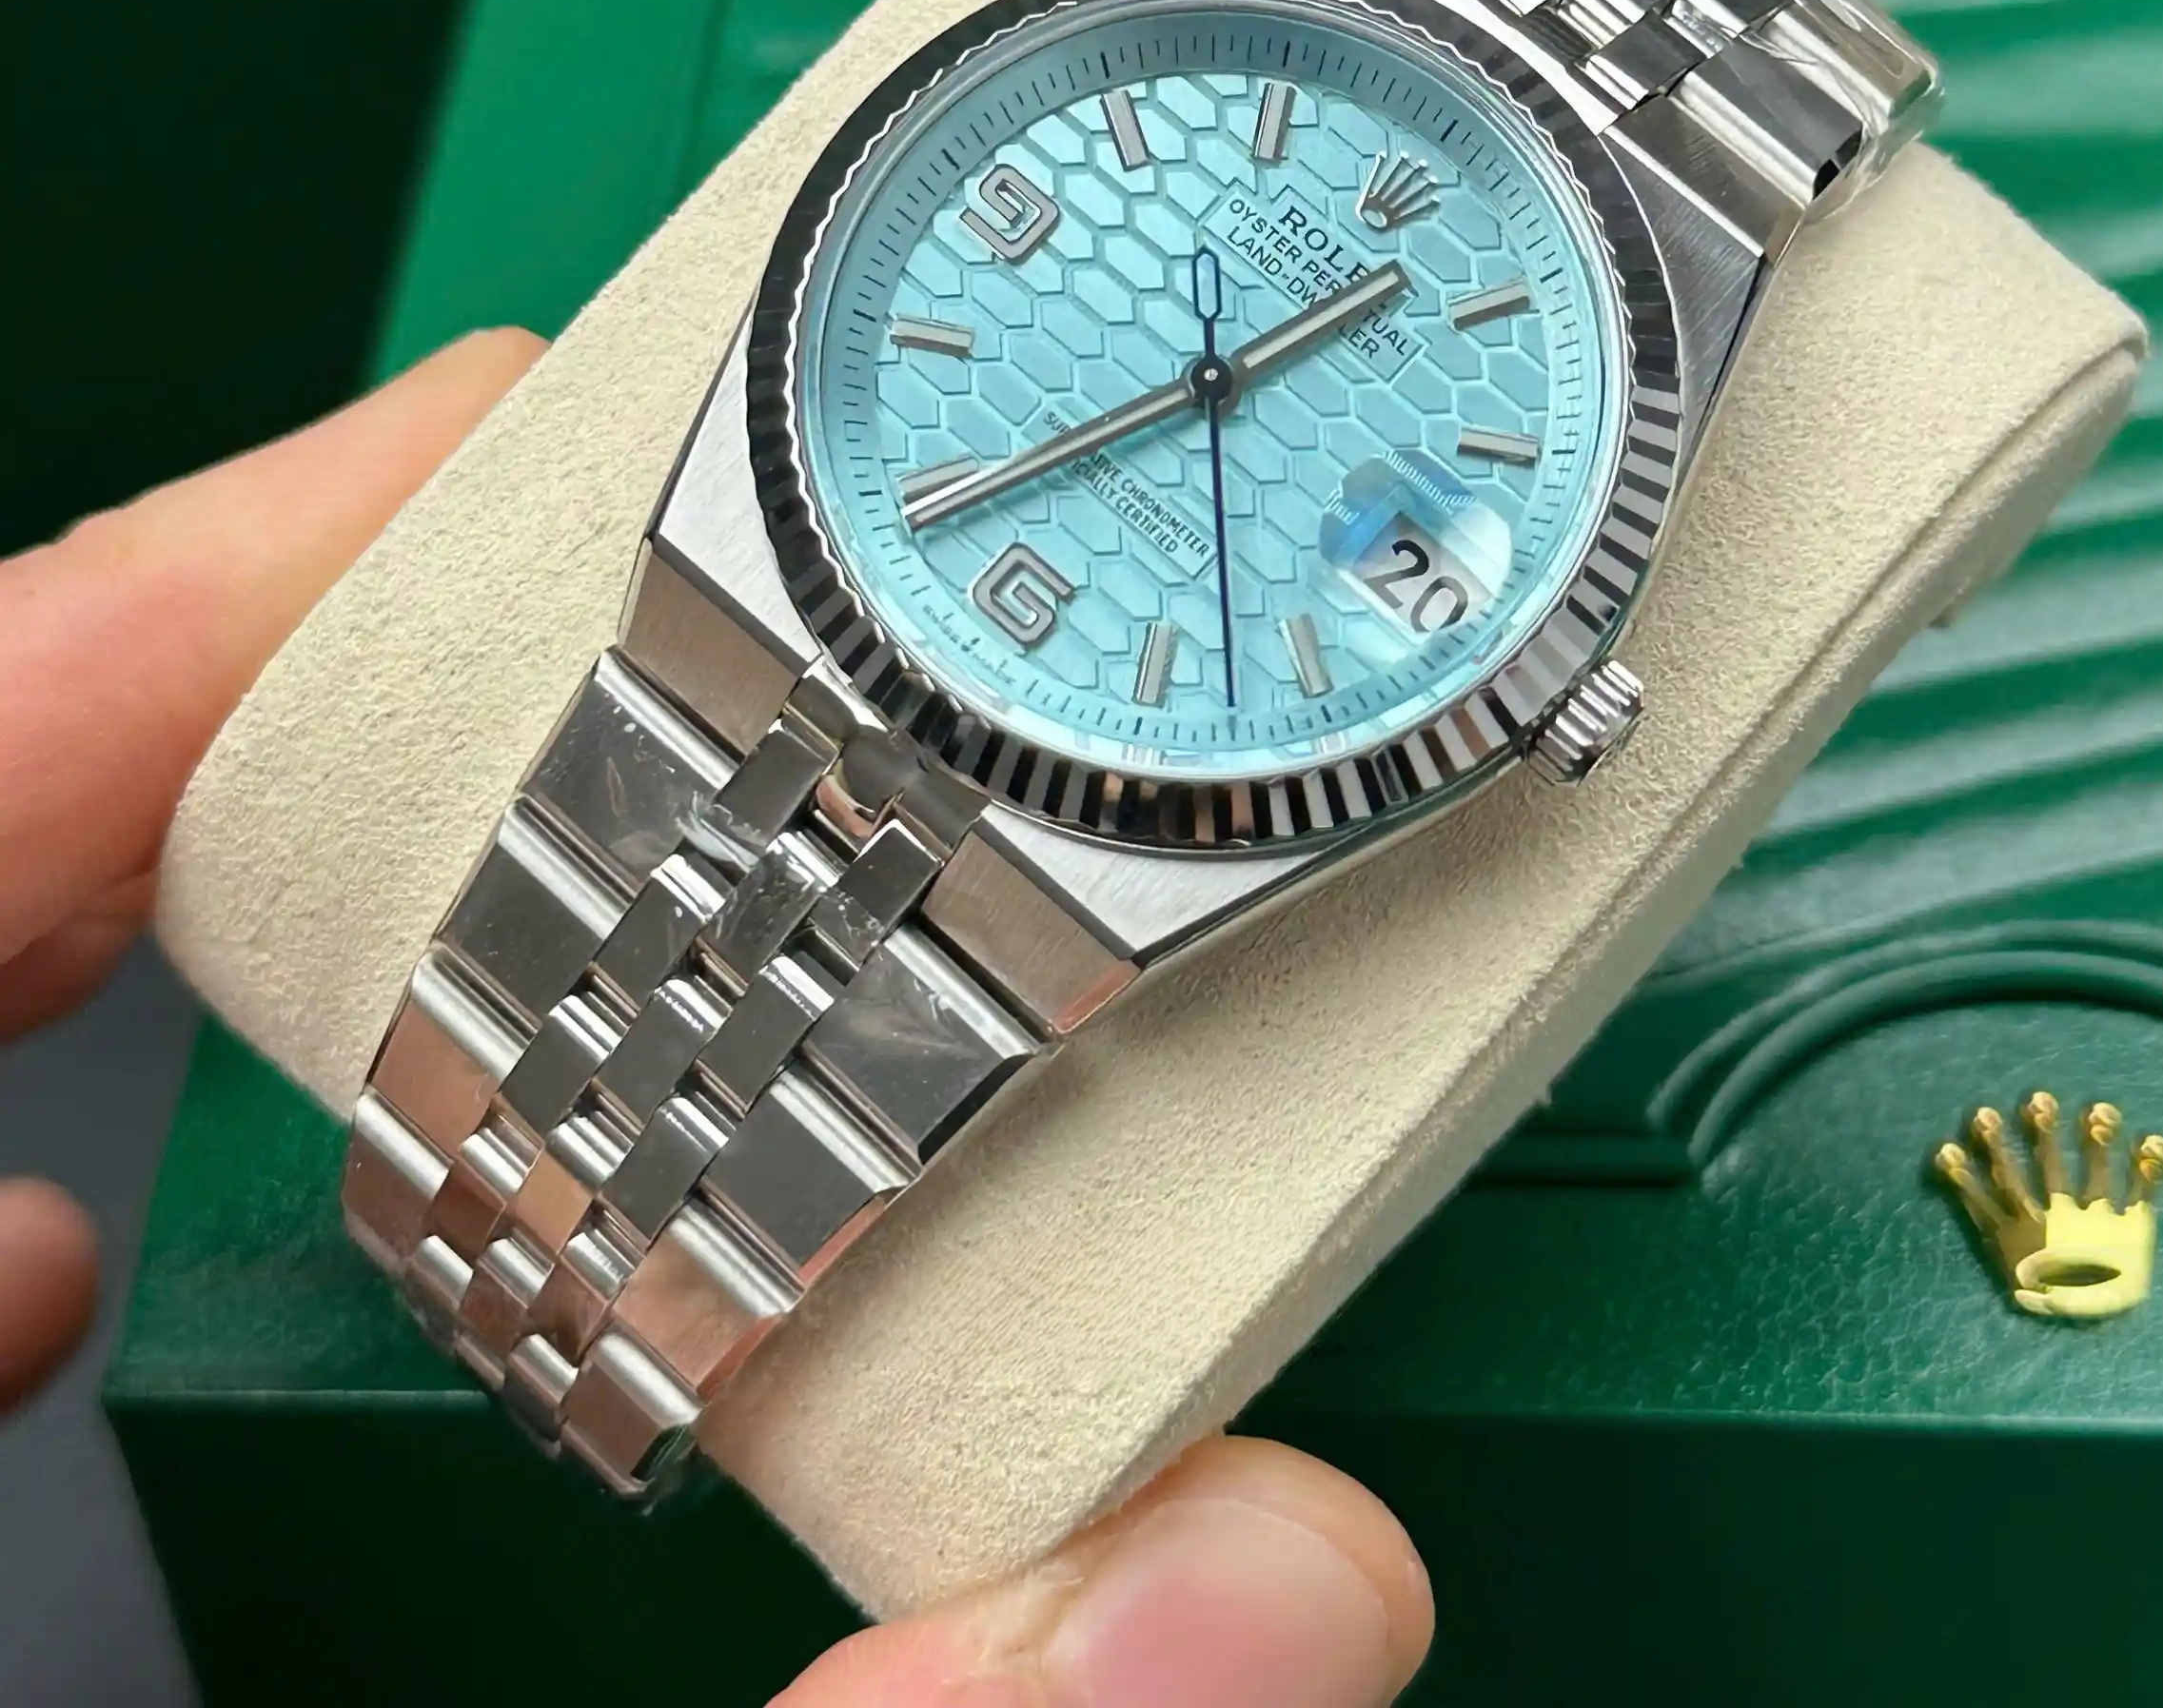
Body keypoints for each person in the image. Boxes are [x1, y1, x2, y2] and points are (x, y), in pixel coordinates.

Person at [0, 330, 1434, 1708]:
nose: (1214, 379)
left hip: (1050, 871)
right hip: (766, 630)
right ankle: (485, 1223)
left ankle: (585, 1297)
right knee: (588, 930)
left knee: (802, 1038)